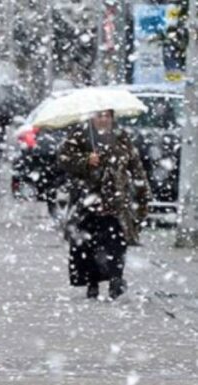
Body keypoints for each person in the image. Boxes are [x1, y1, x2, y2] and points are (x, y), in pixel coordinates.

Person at [58, 110, 151, 299]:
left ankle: (116, 279)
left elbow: (135, 166)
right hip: (87, 202)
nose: (104, 119)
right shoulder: (80, 135)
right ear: (93, 117)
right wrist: (85, 160)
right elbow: (63, 160)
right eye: (100, 116)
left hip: (116, 202)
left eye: (107, 116)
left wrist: (143, 193)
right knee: (89, 245)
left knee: (116, 243)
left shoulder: (121, 137)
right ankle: (92, 282)